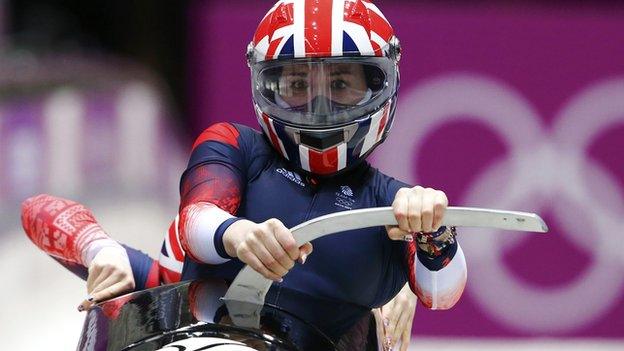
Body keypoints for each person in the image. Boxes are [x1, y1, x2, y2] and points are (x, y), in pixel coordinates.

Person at [21, 1, 467, 350]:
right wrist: (104, 250)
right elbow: (197, 221)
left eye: (340, 85)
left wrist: (434, 233)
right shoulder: (235, 147)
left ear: (378, 87)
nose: (319, 109)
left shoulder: (394, 205)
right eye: (296, 86)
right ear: (267, 87)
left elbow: (443, 291)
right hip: (194, 334)